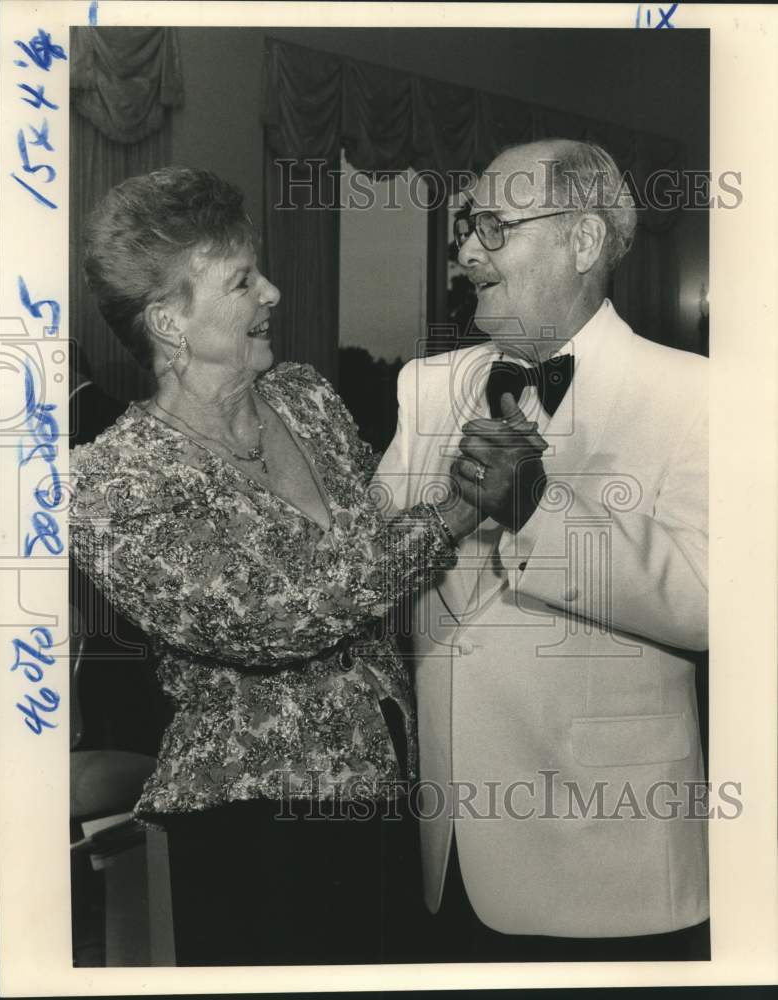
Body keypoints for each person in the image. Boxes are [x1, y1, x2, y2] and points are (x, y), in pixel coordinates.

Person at [69, 166, 480, 966]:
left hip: (391, 780)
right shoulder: (108, 481)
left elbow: (378, 540)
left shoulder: (306, 398)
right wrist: (463, 508)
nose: (275, 292)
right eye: (242, 280)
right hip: (251, 816)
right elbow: (276, 618)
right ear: (169, 323)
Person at [375, 139, 709, 962]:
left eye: (492, 226)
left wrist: (537, 512)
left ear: (583, 242)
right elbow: (375, 561)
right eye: (465, 228)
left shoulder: (701, 393)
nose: (463, 252)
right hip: (446, 850)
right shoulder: (425, 385)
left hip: (611, 857)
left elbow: (714, 601)